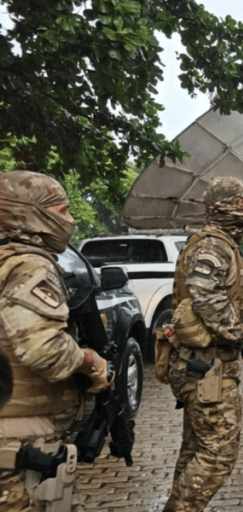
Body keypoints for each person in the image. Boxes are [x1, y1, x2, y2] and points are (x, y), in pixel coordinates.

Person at [0, 170, 115, 511]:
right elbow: (42, 349)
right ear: (29, 213)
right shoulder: (29, 266)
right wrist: (91, 362)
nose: (71, 219)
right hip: (19, 442)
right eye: (62, 210)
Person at [163, 176, 243, 512]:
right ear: (230, 205)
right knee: (218, 453)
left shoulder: (215, 244)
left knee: (196, 450)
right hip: (207, 368)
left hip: (200, 364)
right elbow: (205, 294)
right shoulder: (214, 246)